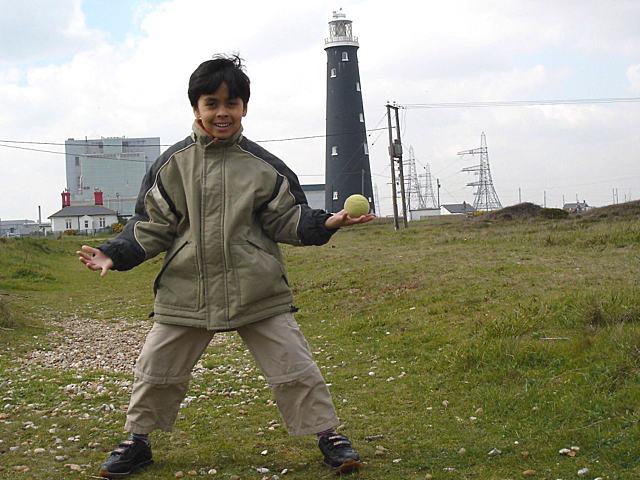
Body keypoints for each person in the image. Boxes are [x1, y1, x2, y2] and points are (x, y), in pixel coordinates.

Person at [77, 54, 375, 478]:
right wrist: (114, 252)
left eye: (231, 103)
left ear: (244, 108)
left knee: (295, 368)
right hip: (186, 291)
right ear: (195, 108)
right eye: (211, 103)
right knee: (156, 371)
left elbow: (287, 217)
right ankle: (137, 441)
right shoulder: (172, 164)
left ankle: (328, 435)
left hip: (258, 289)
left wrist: (327, 222)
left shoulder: (264, 166)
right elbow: (151, 224)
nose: (222, 113)